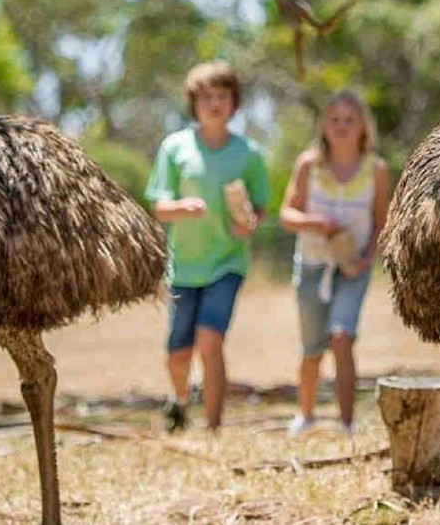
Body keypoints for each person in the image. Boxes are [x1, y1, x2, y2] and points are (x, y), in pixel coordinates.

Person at [146, 61, 268, 432]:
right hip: (183, 266)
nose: (214, 104)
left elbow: (259, 207)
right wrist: (181, 208)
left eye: (222, 96)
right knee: (178, 354)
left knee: (210, 341)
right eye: (207, 97)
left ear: (234, 102)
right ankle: (180, 401)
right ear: (194, 103)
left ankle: (214, 428)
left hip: (227, 262)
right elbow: (159, 207)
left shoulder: (248, 153)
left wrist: (248, 223)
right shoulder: (174, 147)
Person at [279, 90, 390, 436]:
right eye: (334, 119)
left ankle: (346, 423)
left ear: (363, 127)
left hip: (353, 269)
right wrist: (314, 224)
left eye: (349, 119)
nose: (341, 126)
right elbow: (287, 214)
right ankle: (305, 416)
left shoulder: (376, 170)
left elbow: (382, 223)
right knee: (312, 348)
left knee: (342, 337)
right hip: (312, 265)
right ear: (323, 125)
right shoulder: (308, 165)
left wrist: (365, 260)